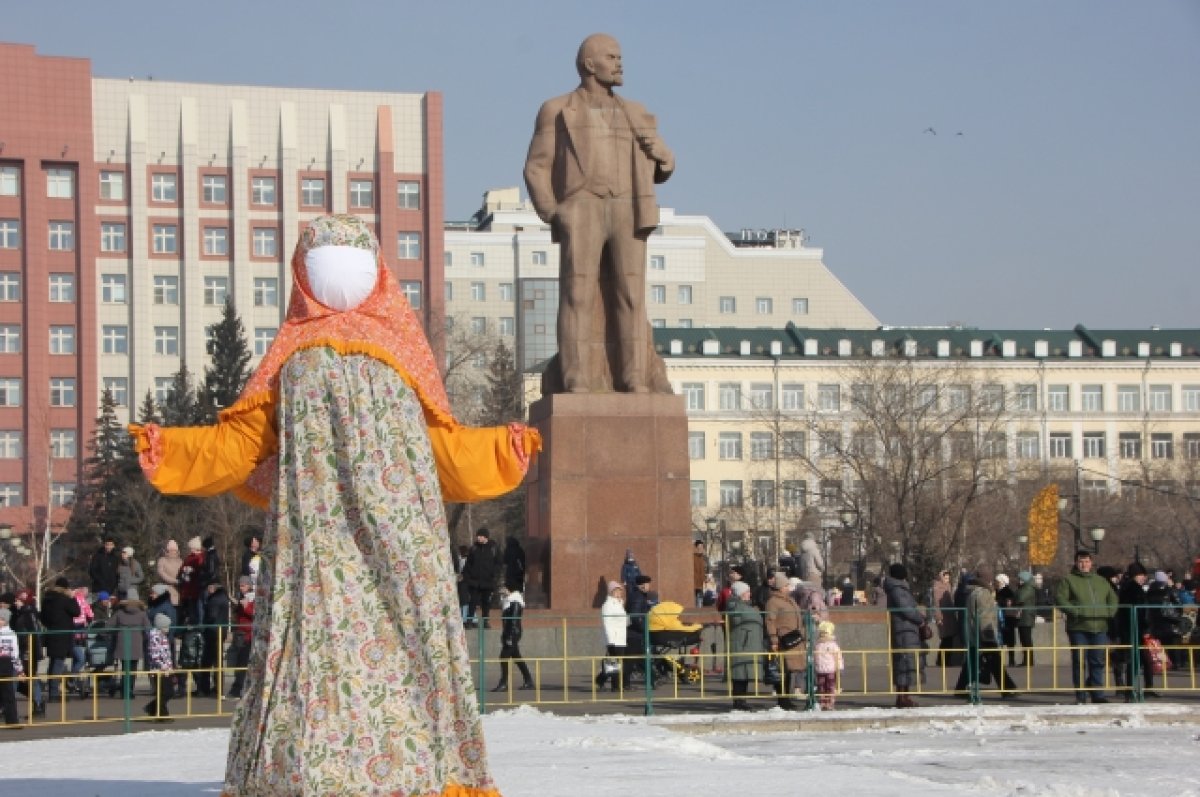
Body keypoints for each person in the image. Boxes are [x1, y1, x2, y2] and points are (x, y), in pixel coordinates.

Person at [128, 214, 539, 797]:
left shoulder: (309, 356)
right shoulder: (380, 355)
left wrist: (504, 446)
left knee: (322, 652)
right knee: (384, 644)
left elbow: (240, 444)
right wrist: (169, 448)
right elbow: (445, 447)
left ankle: (319, 771)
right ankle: (398, 770)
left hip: (332, 547)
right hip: (355, 543)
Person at [524, 33, 675, 394]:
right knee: (577, 293)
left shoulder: (636, 112)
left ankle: (634, 377)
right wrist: (552, 211)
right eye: (612, 57)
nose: (620, 63)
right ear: (589, 64)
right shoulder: (557, 110)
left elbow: (661, 167)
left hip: (628, 207)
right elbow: (535, 167)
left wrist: (665, 155)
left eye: (619, 57)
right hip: (582, 207)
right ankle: (577, 376)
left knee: (631, 296)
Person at [1056, 549, 1117, 704]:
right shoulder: (1068, 580)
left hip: (1099, 626)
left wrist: (1109, 612)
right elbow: (1061, 599)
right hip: (1078, 627)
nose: (1084, 564)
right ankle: (1081, 695)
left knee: (1097, 661)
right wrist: (1075, 611)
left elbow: (1113, 599)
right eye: (1081, 562)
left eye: (1087, 561)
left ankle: (1097, 693)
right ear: (1076, 563)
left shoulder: (1101, 581)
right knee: (1079, 661)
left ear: (1091, 563)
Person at [954, 564, 1017, 700]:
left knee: (972, 661)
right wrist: (989, 636)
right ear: (987, 579)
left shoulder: (973, 592)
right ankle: (1008, 688)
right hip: (984, 633)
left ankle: (960, 688)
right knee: (994, 661)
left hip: (974, 633)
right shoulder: (984, 594)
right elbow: (984, 616)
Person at [882, 563, 926, 708]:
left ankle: (905, 696)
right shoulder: (897, 589)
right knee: (904, 663)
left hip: (906, 631)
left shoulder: (899, 588)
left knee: (906, 664)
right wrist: (920, 620)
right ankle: (902, 698)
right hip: (904, 631)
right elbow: (906, 609)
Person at [763, 572, 805, 710]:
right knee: (782, 670)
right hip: (783, 640)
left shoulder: (789, 600)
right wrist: (773, 639)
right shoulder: (773, 602)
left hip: (794, 639)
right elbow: (770, 621)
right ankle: (782, 699)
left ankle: (786, 698)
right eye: (786, 585)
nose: (788, 587)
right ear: (780, 587)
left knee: (789, 670)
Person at [1115, 562, 1154, 700]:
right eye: (1142, 575)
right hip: (1135, 629)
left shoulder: (1127, 588)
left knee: (1136, 660)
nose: (1144, 578)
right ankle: (1131, 691)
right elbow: (1141, 611)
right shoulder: (1134, 589)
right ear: (1136, 575)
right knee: (1135, 661)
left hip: (1131, 629)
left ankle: (1133, 690)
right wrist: (1145, 627)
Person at [39, 576, 81, 704]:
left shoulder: (47, 599)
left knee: (53, 663)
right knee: (58, 663)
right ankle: (54, 693)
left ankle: (52, 691)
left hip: (51, 633)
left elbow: (42, 617)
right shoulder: (64, 599)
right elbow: (76, 612)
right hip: (62, 635)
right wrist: (73, 597)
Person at [725, 580, 765, 711]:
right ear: (741, 593)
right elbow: (735, 619)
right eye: (747, 591)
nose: (749, 594)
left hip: (748, 644)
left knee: (744, 675)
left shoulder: (746, 606)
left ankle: (741, 701)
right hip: (742, 643)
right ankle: (739, 702)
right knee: (739, 674)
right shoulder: (735, 606)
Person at [491, 582, 533, 693]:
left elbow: (513, 620)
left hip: (513, 633)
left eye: (503, 589)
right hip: (510, 633)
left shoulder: (514, 602)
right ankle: (529, 681)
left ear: (508, 589)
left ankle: (503, 683)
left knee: (503, 656)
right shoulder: (508, 602)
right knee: (517, 657)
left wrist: (509, 636)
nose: (501, 591)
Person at [193, 580, 230, 698]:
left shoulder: (214, 600)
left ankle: (205, 688)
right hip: (221, 631)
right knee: (217, 661)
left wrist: (205, 624)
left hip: (213, 632)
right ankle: (217, 688)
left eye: (209, 587)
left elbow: (212, 615)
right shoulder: (224, 598)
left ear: (214, 588)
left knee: (208, 661)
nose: (207, 590)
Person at [109, 588, 147, 699]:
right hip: (136, 643)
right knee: (133, 668)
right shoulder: (142, 613)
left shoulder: (119, 613)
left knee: (125, 667)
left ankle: (124, 691)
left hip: (122, 643)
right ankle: (130, 690)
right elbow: (148, 628)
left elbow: (109, 626)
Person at [9, 590, 43, 716]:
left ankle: (37, 703)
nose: (16, 603)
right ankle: (37, 703)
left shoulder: (26, 614)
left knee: (26, 677)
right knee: (28, 677)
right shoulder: (25, 613)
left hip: (27, 650)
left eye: (18, 601)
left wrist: (28, 651)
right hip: (27, 649)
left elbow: (31, 635)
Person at [463, 528, 502, 629]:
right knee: (472, 601)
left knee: (486, 602)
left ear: (485, 537)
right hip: (474, 581)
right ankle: (469, 621)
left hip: (488, 581)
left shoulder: (494, 548)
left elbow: (499, 563)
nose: (478, 538)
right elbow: (468, 564)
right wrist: (467, 576)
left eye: (480, 536)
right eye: (477, 536)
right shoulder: (474, 548)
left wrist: (494, 574)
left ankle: (485, 621)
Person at [226, 576, 255, 700]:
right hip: (240, 633)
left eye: (243, 585)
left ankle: (238, 689)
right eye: (240, 585)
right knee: (238, 661)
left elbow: (254, 614)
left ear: (249, 586)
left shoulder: (253, 598)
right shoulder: (243, 597)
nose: (241, 588)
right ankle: (237, 688)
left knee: (243, 662)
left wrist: (246, 606)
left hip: (248, 634)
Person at [598, 582, 629, 691]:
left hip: (621, 637)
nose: (618, 593)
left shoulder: (619, 604)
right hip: (614, 638)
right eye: (616, 591)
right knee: (615, 662)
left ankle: (600, 679)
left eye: (620, 590)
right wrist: (610, 641)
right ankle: (615, 686)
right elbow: (607, 623)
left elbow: (624, 621)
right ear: (611, 592)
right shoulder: (607, 605)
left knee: (615, 662)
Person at [143, 612, 174, 721]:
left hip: (166, 668)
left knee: (168, 692)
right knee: (165, 692)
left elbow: (166, 652)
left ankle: (152, 708)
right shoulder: (155, 636)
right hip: (159, 669)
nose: (168, 629)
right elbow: (155, 653)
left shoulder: (163, 636)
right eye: (166, 626)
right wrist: (162, 666)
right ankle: (161, 714)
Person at [932, 569, 961, 668]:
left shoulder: (948, 587)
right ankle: (942, 660)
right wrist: (938, 618)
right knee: (945, 639)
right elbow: (936, 604)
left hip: (950, 616)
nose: (947, 579)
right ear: (941, 577)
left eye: (948, 578)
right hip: (943, 617)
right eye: (945, 577)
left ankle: (946, 660)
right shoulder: (937, 587)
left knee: (949, 638)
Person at [0, 607, 23, 728]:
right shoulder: (11, 634)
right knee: (7, 693)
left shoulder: (11, 634)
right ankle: (11, 720)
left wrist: (19, 670)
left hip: (5, 663)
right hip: (5, 663)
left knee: (8, 693)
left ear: (6, 620)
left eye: (1, 619)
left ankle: (12, 720)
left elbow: (15, 654)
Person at [813, 620, 844, 710]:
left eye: (824, 633)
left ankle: (829, 703)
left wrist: (839, 667)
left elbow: (838, 657)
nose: (823, 636)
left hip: (828, 669)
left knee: (828, 687)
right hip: (823, 669)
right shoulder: (819, 645)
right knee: (823, 687)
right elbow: (815, 657)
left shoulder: (831, 645)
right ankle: (824, 703)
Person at [179, 537, 206, 627]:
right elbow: (182, 569)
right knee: (191, 613)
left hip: (196, 589)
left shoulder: (201, 557)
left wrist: (193, 571)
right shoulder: (189, 558)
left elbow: (201, 570)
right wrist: (184, 571)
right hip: (188, 589)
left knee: (198, 611)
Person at [1013, 571, 1038, 667]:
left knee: (1026, 638)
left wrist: (1017, 593)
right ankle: (1027, 660)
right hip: (1024, 615)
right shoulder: (1025, 588)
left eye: (1020, 579)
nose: (1018, 581)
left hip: (1026, 616)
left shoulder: (1028, 588)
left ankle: (1029, 660)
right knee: (1024, 638)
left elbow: (1020, 598)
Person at [994, 573, 1018, 667]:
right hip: (1000, 618)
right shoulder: (997, 591)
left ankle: (1012, 659)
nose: (996, 583)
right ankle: (999, 660)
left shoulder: (1008, 592)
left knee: (1009, 640)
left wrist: (998, 603)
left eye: (998, 582)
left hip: (1007, 618)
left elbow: (1009, 604)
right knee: (1000, 639)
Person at [155, 539, 183, 607]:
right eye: (171, 549)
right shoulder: (162, 560)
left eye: (175, 550)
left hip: (179, 590)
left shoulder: (180, 561)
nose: (173, 552)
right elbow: (162, 573)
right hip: (167, 588)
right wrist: (175, 581)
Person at [692, 541, 708, 608]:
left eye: (702, 547)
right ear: (695, 547)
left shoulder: (702, 558)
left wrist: (705, 578)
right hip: (694, 583)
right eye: (699, 547)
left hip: (700, 583)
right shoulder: (692, 557)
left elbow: (703, 570)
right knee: (695, 599)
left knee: (699, 600)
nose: (700, 549)